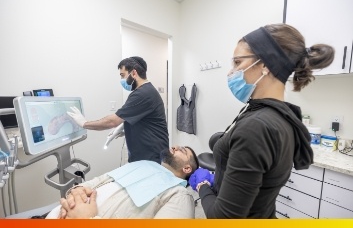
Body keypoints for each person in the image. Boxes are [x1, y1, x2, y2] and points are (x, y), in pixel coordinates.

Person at [188, 23, 334, 218]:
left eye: (238, 62)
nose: (231, 72)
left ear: (264, 64)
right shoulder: (278, 115)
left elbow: (223, 218)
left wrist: (203, 186)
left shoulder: (256, 127)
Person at [45, 145, 199, 219]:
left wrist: (88, 219)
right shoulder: (143, 164)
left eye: (182, 151)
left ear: (186, 168)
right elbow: (103, 179)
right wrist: (77, 190)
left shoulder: (179, 195)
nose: (175, 147)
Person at [67, 56, 169, 163]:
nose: (122, 80)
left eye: (123, 75)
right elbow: (142, 119)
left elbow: (113, 121)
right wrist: (124, 128)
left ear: (134, 73)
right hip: (147, 153)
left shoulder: (143, 93)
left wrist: (84, 123)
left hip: (151, 156)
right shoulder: (146, 91)